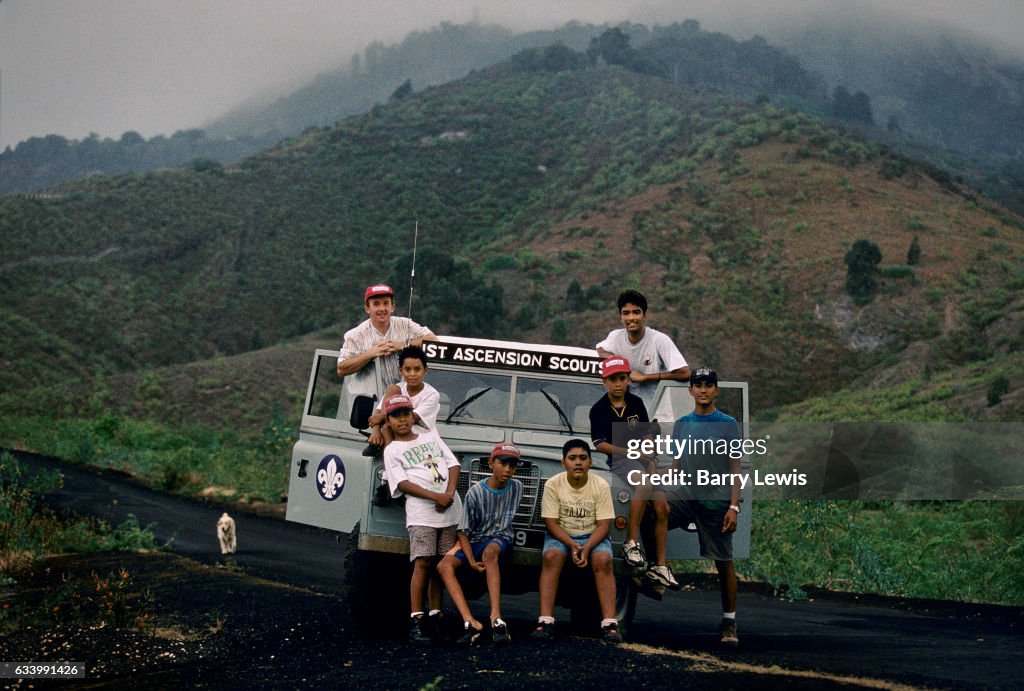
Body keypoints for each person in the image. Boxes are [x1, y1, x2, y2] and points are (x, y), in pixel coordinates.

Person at [666, 367, 743, 648]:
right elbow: (675, 468)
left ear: (716, 390)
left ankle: (729, 622)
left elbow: (735, 469)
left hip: (716, 500)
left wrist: (734, 507)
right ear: (690, 391)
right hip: (687, 495)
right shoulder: (682, 424)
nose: (703, 389)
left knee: (723, 563)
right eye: (697, 385)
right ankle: (655, 570)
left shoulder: (727, 424)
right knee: (651, 512)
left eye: (708, 385)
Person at [590, 357, 677, 591]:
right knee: (643, 485)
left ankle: (659, 566)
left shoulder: (636, 403)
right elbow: (599, 443)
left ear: (628, 380)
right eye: (613, 379)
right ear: (604, 382)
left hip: (644, 457)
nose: (618, 383)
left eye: (622, 378)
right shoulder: (598, 409)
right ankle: (631, 543)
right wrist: (628, 450)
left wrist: (646, 453)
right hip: (620, 459)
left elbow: (648, 432)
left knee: (662, 508)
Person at [381, 393, 463, 644]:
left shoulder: (430, 436)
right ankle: (417, 619)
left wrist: (447, 494)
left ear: (412, 415)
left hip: (447, 510)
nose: (402, 420)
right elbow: (402, 483)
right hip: (421, 514)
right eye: (396, 417)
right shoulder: (393, 449)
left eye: (406, 414)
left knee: (441, 564)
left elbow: (453, 465)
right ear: (389, 421)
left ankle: (436, 616)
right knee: (423, 562)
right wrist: (433, 497)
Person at [531, 439, 623, 643]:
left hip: (593, 536)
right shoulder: (553, 484)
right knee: (552, 556)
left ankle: (610, 623)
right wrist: (572, 545)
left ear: (590, 462)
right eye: (572, 458)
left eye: (583, 458)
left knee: (603, 560)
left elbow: (604, 524)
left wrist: (587, 547)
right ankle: (545, 621)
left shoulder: (600, 485)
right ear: (564, 463)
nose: (578, 463)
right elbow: (551, 523)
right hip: (562, 535)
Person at [436, 442, 524, 646]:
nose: (508, 470)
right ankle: (470, 621)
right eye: (503, 463)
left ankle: (496, 618)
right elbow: (463, 532)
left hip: (498, 538)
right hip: (474, 540)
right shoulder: (475, 493)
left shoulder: (517, 487)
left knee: (490, 553)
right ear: (491, 463)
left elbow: (502, 529)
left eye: (513, 466)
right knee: (444, 566)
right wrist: (470, 561)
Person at [336, 283, 435, 398]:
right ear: (367, 308)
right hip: (366, 402)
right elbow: (341, 369)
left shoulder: (404, 324)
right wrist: (370, 354)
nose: (382, 309)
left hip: (399, 403)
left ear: (392, 307)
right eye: (376, 304)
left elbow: (432, 339)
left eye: (386, 303)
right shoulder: (354, 335)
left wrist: (403, 345)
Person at [595, 289, 690, 408]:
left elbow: (685, 373)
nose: (631, 318)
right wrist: (619, 363)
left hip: (657, 415)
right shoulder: (615, 337)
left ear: (644, 315)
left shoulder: (659, 340)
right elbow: (600, 349)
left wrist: (646, 377)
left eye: (636, 312)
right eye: (626, 313)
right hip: (630, 415)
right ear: (620, 317)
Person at [366, 345, 440, 449]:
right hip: (397, 433)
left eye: (417, 369)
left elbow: (410, 419)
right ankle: (390, 458)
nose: (412, 374)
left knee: (388, 427)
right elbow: (378, 413)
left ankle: (393, 456)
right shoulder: (397, 388)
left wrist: (382, 417)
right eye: (408, 370)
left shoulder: (432, 394)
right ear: (401, 371)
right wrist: (376, 430)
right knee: (392, 390)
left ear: (425, 370)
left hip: (423, 438)